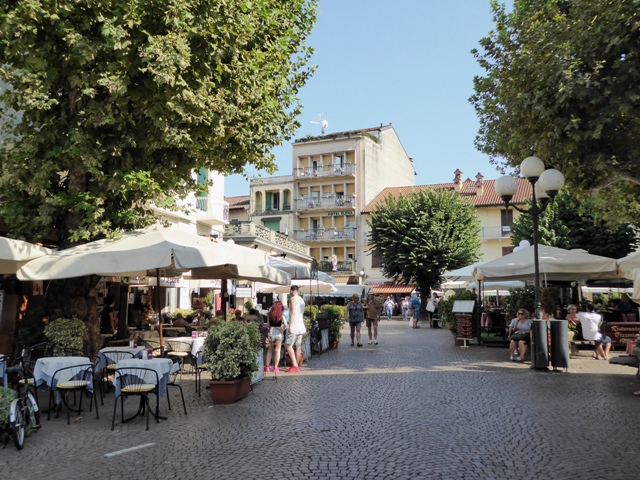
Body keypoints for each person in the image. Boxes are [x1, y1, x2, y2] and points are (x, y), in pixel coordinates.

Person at [285, 285, 306, 373]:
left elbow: (292, 312)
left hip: (294, 326)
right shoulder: (302, 300)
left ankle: (294, 365)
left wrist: (290, 325)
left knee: (288, 345)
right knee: (298, 346)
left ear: (291, 291)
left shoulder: (293, 299)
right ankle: (297, 365)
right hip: (301, 326)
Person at [265, 299, 286, 373]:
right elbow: (285, 324)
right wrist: (282, 329)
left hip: (271, 332)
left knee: (270, 349)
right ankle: (275, 367)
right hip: (279, 333)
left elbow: (268, 325)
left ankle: (267, 367)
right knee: (278, 350)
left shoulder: (269, 314)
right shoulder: (281, 315)